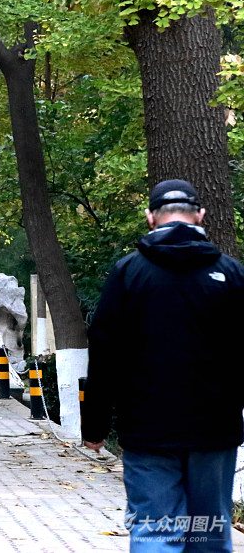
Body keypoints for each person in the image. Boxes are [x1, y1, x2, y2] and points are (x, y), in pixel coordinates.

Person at [83, 179, 244, 553]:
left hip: (147, 430)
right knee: (209, 534)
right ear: (200, 216)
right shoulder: (231, 274)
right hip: (214, 431)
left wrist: (94, 425)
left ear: (150, 218)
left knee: (156, 532)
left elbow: (104, 353)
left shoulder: (128, 274)